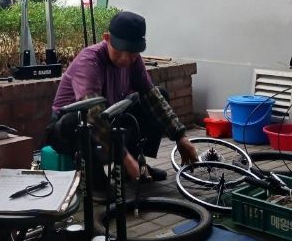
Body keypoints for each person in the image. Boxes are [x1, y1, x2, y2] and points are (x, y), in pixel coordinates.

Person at [46, 11, 198, 187]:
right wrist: (124, 157)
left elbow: (153, 98)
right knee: (81, 117)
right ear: (107, 38)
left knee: (158, 94)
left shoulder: (134, 61)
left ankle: (137, 162)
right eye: (121, 50)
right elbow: (94, 116)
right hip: (66, 129)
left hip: (107, 117)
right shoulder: (89, 61)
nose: (126, 59)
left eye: (133, 53)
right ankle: (96, 182)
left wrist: (180, 136)